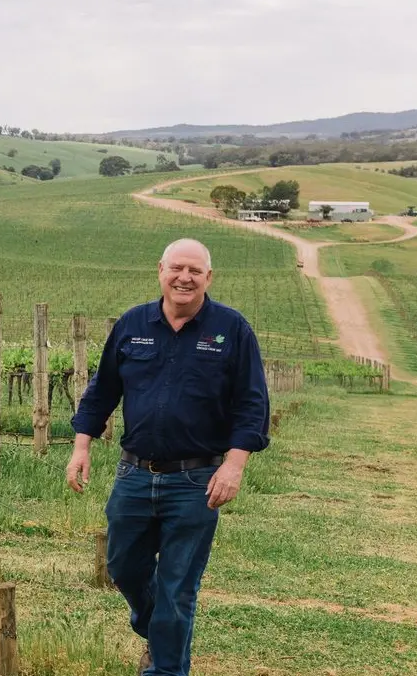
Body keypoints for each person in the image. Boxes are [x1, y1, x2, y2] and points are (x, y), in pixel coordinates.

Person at [66, 238, 270, 676]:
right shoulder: (132, 324)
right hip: (134, 475)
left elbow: (252, 405)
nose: (185, 277)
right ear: (160, 270)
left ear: (208, 277)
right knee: (121, 566)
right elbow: (102, 392)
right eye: (177, 268)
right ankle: (156, 628)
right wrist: (81, 447)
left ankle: (164, 667)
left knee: (177, 587)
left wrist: (234, 466)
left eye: (195, 271)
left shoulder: (231, 330)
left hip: (197, 481)